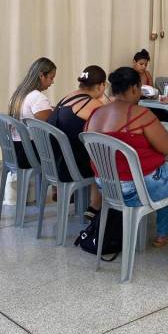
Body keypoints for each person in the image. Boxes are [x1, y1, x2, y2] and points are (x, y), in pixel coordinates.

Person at [85, 67, 168, 247]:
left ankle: (164, 233)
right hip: (136, 189)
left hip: (106, 187)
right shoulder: (140, 114)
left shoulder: (95, 115)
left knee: (165, 169)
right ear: (134, 88)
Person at [48, 65, 108, 219]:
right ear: (101, 86)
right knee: (105, 157)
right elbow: (111, 127)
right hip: (70, 167)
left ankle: (93, 203)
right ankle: (97, 205)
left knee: (93, 151)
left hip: (53, 162)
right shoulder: (92, 104)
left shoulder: (68, 97)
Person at [8, 57, 57, 167]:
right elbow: (50, 127)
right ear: (41, 76)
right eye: (51, 78)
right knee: (69, 145)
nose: (53, 82)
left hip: (15, 149)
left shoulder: (18, 95)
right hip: (29, 153)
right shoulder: (37, 97)